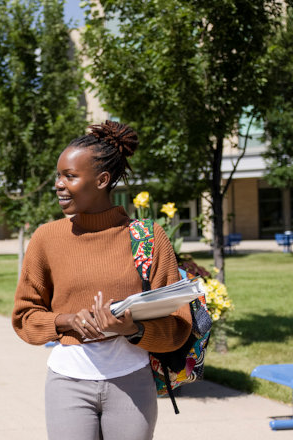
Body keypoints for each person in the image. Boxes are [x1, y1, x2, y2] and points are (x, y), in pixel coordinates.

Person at [11, 121, 193, 440]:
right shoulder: (46, 239)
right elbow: (25, 318)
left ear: (102, 179)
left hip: (132, 381)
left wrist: (133, 329)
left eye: (70, 176)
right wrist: (66, 321)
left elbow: (178, 327)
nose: (59, 184)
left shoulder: (149, 238)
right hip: (67, 382)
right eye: (58, 175)